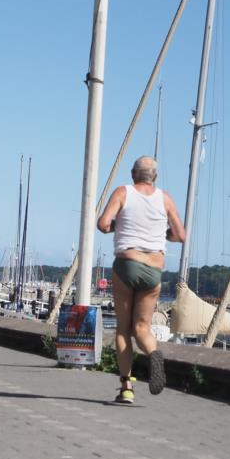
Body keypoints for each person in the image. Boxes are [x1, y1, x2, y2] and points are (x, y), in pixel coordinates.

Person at [97, 156, 185, 404]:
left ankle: (126, 388)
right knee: (142, 328)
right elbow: (180, 234)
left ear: (133, 174)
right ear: (154, 177)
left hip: (127, 263)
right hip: (153, 269)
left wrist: (118, 226)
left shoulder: (123, 192)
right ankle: (154, 353)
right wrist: (162, 233)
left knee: (123, 329)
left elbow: (103, 224)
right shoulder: (164, 198)